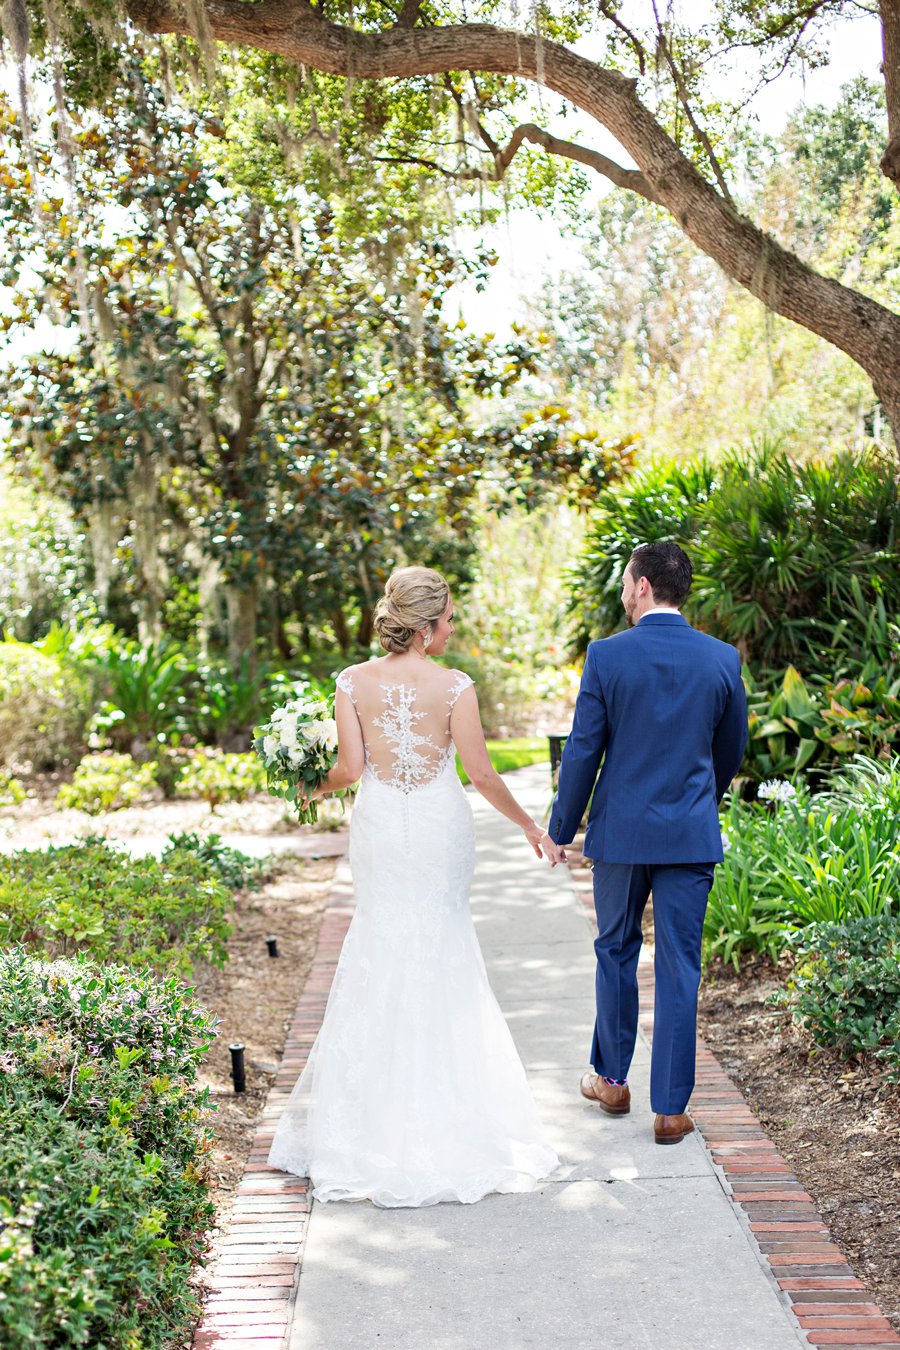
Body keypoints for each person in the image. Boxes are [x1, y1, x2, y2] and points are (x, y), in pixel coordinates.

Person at [268, 565, 560, 1206]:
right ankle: (446, 1117)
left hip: (380, 827)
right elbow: (480, 775)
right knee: (442, 941)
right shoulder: (454, 687)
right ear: (426, 628)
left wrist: (301, 785)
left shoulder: (352, 682)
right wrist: (532, 828)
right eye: (449, 618)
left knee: (378, 938)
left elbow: (348, 769)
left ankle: (368, 1126)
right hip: (437, 825)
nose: (454, 627)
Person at [543, 541, 747, 1145]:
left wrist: (560, 830)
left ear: (640, 587)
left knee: (616, 951)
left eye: (626, 582)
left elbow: (583, 749)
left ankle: (610, 1080)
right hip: (689, 831)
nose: (624, 592)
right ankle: (671, 1110)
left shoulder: (607, 657)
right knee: (681, 964)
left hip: (622, 833)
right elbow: (730, 748)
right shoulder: (720, 659)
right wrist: (698, 802)